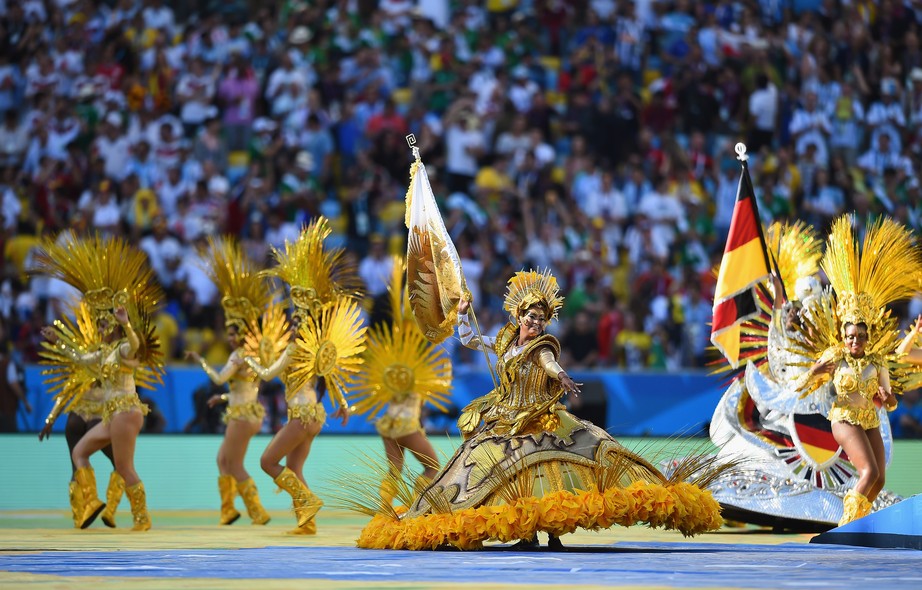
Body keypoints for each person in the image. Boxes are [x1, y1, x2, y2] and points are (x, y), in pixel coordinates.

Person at [356, 270, 723, 550]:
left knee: (549, 476)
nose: (534, 323)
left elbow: (548, 363)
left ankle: (551, 533)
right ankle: (527, 532)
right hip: (505, 421)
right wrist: (464, 313)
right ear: (518, 316)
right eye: (530, 317)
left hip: (539, 421)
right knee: (500, 473)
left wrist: (561, 376)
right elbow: (467, 339)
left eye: (540, 319)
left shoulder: (542, 346)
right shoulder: (503, 341)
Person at [245, 218, 365, 534]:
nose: (295, 323)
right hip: (315, 416)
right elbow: (331, 375)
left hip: (300, 416)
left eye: (297, 318)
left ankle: (307, 501)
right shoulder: (315, 349)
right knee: (294, 466)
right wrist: (344, 405)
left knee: (267, 463)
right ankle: (307, 522)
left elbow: (269, 374)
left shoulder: (294, 349)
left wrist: (252, 364)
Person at [35, 235, 164, 531]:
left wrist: (126, 323)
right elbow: (79, 358)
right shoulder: (103, 352)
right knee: (79, 453)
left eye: (106, 322)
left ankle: (142, 518)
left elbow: (134, 345)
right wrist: (57, 343)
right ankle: (92, 502)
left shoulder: (122, 349)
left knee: (124, 467)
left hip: (126, 411)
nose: (102, 326)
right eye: (100, 322)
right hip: (112, 414)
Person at [800, 215, 921, 526]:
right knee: (868, 472)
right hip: (843, 420)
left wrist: (887, 397)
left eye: (860, 336)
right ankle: (847, 523)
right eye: (850, 335)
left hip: (869, 420)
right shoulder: (834, 356)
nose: (854, 340)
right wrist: (815, 373)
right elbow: (802, 385)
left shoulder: (877, 362)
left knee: (879, 478)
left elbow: (891, 402)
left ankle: (860, 522)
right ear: (844, 335)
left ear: (868, 338)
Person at [185, 236, 271, 526]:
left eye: (235, 332)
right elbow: (242, 388)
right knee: (223, 460)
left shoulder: (238, 355)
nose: (231, 337)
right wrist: (221, 399)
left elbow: (221, 379)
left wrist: (201, 361)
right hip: (244, 411)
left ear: (243, 332)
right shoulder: (250, 353)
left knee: (232, 463)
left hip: (243, 416)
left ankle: (257, 511)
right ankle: (229, 509)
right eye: (229, 332)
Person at [351, 258, 451, 506]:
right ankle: (415, 508)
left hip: (388, 423)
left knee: (394, 472)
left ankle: (384, 513)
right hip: (407, 424)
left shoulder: (392, 355)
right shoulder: (421, 361)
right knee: (433, 468)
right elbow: (441, 383)